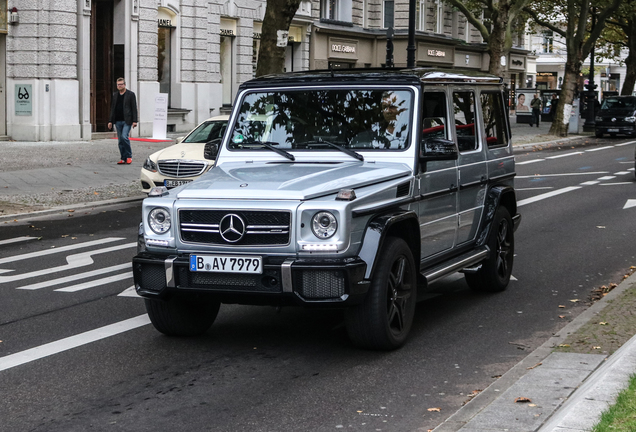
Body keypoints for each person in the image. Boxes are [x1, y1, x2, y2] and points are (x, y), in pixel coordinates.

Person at [108, 78, 138, 164]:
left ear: (124, 84)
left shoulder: (130, 94)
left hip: (127, 120)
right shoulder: (115, 95)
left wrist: (135, 120)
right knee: (120, 140)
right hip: (118, 120)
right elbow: (112, 109)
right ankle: (123, 158)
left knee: (124, 137)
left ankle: (129, 156)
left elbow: (134, 108)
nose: (119, 86)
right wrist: (110, 121)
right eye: (118, 84)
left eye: (121, 84)